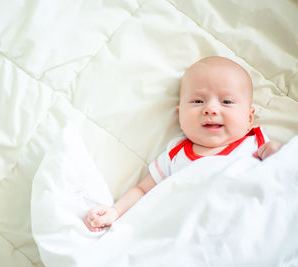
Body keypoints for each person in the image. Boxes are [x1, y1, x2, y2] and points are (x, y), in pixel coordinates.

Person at [84, 56, 283, 232]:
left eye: (227, 102)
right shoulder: (176, 154)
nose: (211, 108)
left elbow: (283, 181)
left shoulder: (257, 145)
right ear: (180, 114)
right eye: (197, 101)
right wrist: (114, 212)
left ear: (249, 118)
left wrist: (279, 155)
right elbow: (143, 190)